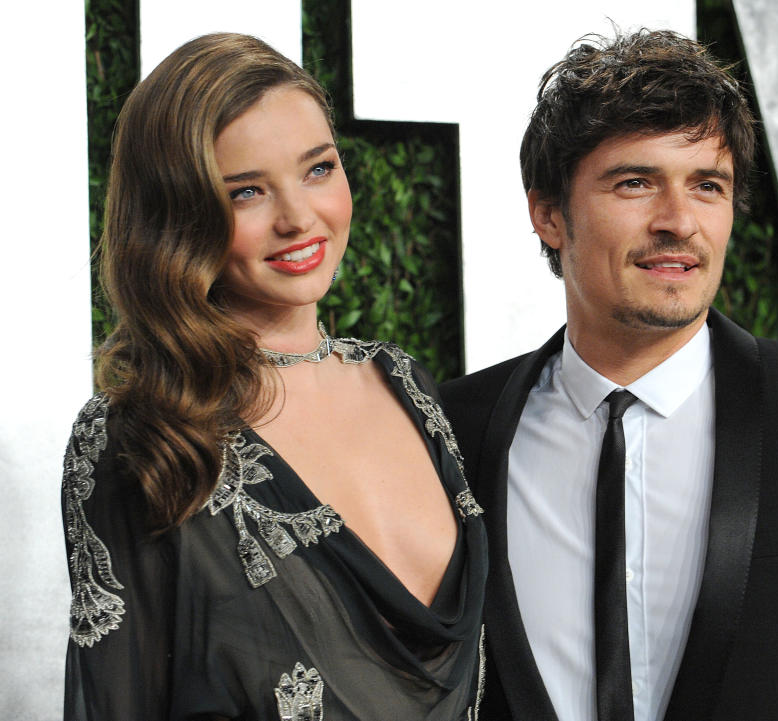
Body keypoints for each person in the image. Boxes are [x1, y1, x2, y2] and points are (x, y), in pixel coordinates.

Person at [440, 28, 778, 721]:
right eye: (635, 182)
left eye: (707, 186)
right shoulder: (454, 432)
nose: (679, 222)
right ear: (548, 214)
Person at [61, 33, 486, 721]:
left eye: (318, 169)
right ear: (178, 215)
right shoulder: (139, 432)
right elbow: (119, 699)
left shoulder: (407, 383)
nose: (298, 217)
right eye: (247, 191)